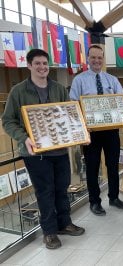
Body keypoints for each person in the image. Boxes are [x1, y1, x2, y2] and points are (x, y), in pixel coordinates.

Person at [2, 49, 85, 249]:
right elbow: (8, 121)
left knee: (62, 189)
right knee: (44, 191)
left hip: (60, 150)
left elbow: (69, 115)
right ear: (29, 65)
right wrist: (25, 138)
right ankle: (49, 231)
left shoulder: (58, 88)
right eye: (37, 63)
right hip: (34, 153)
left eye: (45, 63)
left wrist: (80, 132)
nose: (42, 67)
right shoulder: (18, 91)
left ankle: (64, 223)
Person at [70, 44, 123, 216]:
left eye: (100, 57)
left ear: (103, 59)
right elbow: (74, 105)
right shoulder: (79, 80)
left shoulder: (112, 80)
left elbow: (122, 101)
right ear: (88, 58)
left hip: (111, 130)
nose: (97, 60)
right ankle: (95, 202)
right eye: (93, 57)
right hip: (91, 133)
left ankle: (114, 197)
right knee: (92, 167)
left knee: (113, 164)